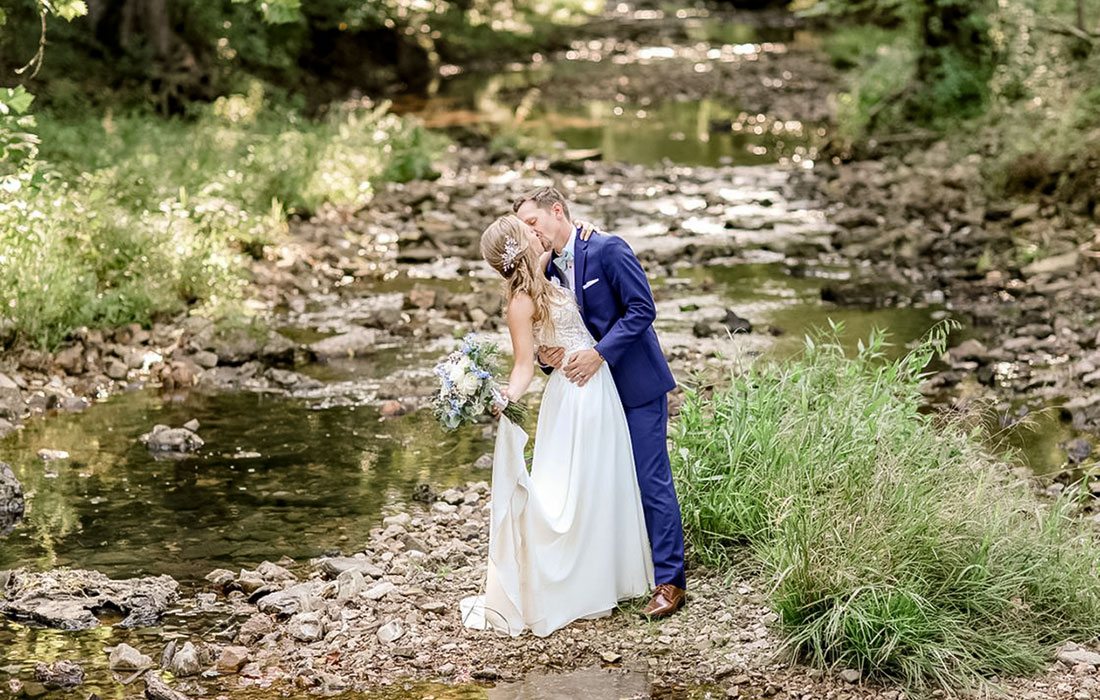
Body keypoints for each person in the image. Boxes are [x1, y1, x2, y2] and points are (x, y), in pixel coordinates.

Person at [459, 214, 653, 636]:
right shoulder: (520, 302)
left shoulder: (545, 265)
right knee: (574, 488)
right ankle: (576, 584)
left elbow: (572, 241)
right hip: (572, 394)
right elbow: (524, 366)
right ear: (518, 244)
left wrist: (584, 228)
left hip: (600, 386)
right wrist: (506, 397)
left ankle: (611, 577)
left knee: (603, 482)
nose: (535, 230)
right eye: (526, 228)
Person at [514, 186, 686, 618]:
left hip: (634, 385)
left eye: (533, 223)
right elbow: (557, 328)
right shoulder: (546, 269)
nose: (531, 234)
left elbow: (642, 309)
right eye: (524, 229)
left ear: (557, 211)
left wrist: (600, 354)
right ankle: (611, 575)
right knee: (598, 484)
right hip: (589, 397)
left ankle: (670, 582)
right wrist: (547, 356)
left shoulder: (608, 248)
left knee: (651, 481)